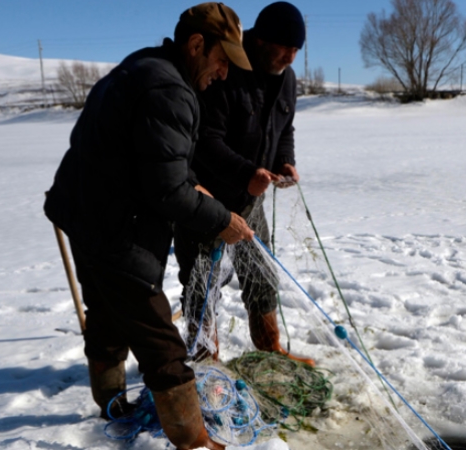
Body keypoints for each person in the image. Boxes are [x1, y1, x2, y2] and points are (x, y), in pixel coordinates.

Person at [43, 3, 253, 449]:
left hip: (81, 213)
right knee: (163, 346)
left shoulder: (143, 65)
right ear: (197, 45)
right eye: (221, 61)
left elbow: (152, 159)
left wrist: (197, 187)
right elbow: (165, 191)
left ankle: (110, 401)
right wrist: (221, 220)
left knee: (105, 314)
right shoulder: (170, 90)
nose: (223, 74)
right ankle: (195, 442)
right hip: (115, 230)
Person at [174, 2, 314, 366]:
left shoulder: (287, 79)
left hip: (250, 200)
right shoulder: (226, 70)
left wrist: (286, 162)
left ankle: (269, 349)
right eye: (285, 48)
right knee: (201, 285)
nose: (291, 57)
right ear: (261, 40)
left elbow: (285, 130)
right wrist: (246, 174)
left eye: (297, 50)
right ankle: (206, 361)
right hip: (204, 198)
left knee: (263, 274)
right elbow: (205, 140)